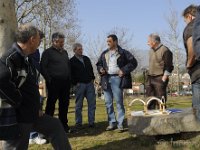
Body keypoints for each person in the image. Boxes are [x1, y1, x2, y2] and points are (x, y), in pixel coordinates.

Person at [0, 24, 71, 150]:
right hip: (19, 117)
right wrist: (18, 101)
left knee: (55, 125)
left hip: (33, 113)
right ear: (32, 39)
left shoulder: (27, 59)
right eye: (39, 39)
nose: (40, 42)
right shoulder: (11, 58)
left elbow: (31, 86)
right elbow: (1, 81)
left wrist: (36, 106)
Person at [96, 34, 137, 131]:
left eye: (109, 41)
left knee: (119, 102)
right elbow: (99, 64)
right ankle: (111, 123)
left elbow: (133, 62)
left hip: (117, 79)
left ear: (115, 42)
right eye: (107, 42)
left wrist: (124, 70)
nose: (108, 43)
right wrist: (100, 69)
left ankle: (120, 124)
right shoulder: (104, 53)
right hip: (106, 79)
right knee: (108, 103)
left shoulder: (123, 53)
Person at [40, 32, 71, 132]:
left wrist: (69, 78)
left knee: (64, 104)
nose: (62, 44)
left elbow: (67, 66)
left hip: (65, 82)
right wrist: (49, 79)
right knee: (51, 105)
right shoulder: (47, 52)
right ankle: (48, 127)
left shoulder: (65, 52)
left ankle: (63, 125)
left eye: (63, 42)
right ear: (54, 41)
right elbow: (42, 67)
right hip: (54, 82)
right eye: (60, 42)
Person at [70, 43, 96, 129]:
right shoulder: (71, 61)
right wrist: (75, 83)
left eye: (81, 49)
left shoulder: (86, 58)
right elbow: (70, 74)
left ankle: (91, 122)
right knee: (78, 105)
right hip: (79, 85)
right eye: (79, 49)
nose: (81, 51)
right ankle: (78, 123)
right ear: (74, 50)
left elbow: (91, 69)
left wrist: (92, 78)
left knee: (92, 104)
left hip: (89, 84)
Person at [28, 32, 47, 145]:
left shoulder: (37, 51)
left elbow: (37, 66)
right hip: (26, 84)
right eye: (39, 40)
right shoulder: (25, 50)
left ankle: (35, 133)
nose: (40, 42)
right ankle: (32, 135)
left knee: (38, 106)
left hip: (34, 83)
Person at [146, 34, 173, 109]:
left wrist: (164, 78)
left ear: (154, 42)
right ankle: (150, 118)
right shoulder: (150, 50)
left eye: (149, 41)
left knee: (160, 100)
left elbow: (169, 66)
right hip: (150, 77)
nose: (147, 43)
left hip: (160, 77)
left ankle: (162, 119)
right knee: (149, 100)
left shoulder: (165, 50)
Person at [183, 5, 200, 120]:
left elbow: (192, 49)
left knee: (198, 106)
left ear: (189, 16)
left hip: (198, 71)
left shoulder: (192, 27)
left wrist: (189, 64)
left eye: (185, 20)